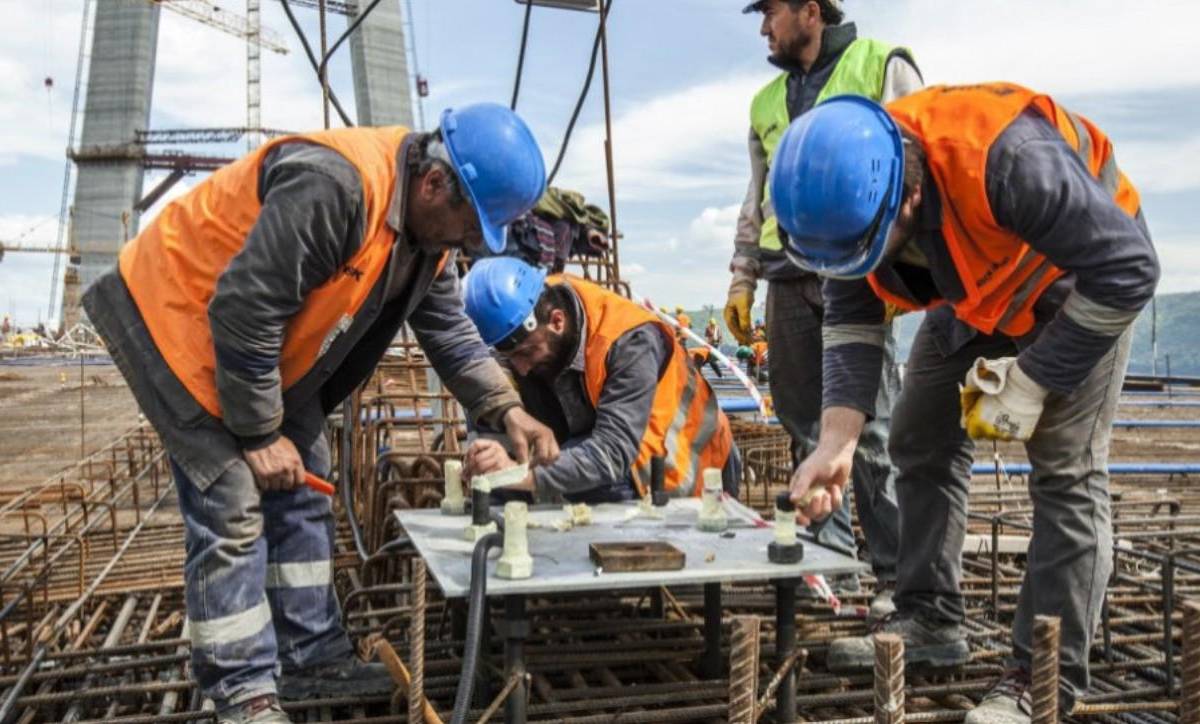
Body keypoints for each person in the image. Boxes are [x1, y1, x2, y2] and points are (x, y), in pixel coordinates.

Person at [82, 104, 561, 724]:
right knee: (232, 495)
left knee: (308, 476)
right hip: (176, 321)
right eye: (470, 228)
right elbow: (246, 307)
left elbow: (448, 331)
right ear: (433, 183)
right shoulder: (337, 186)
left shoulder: (428, 239)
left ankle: (310, 657)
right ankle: (243, 692)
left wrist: (506, 408)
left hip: (263, 349)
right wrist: (258, 433)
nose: (470, 244)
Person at [773, 84, 1157, 722]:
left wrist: (1034, 379)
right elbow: (852, 319)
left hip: (1084, 286)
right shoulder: (846, 206)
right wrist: (837, 443)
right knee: (918, 433)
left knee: (1066, 473)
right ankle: (930, 618)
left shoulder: (1010, 161)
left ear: (908, 197)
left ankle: (1043, 680)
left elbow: (1130, 270)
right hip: (977, 288)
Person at [725, 0, 921, 615]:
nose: (764, 27)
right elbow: (757, 196)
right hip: (787, 273)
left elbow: (915, 167)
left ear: (811, 10)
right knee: (804, 425)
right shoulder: (764, 103)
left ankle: (896, 575)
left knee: (872, 429)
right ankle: (832, 564)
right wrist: (742, 277)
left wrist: (900, 271)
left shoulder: (879, 64)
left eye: (771, 12)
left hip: (861, 269)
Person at [462, 257, 739, 503]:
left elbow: (612, 453)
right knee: (500, 489)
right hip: (598, 447)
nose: (521, 369)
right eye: (511, 358)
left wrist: (518, 476)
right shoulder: (512, 324)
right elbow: (490, 408)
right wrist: (490, 454)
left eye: (527, 353)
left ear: (557, 321)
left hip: (682, 463)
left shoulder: (629, 341)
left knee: (588, 487)